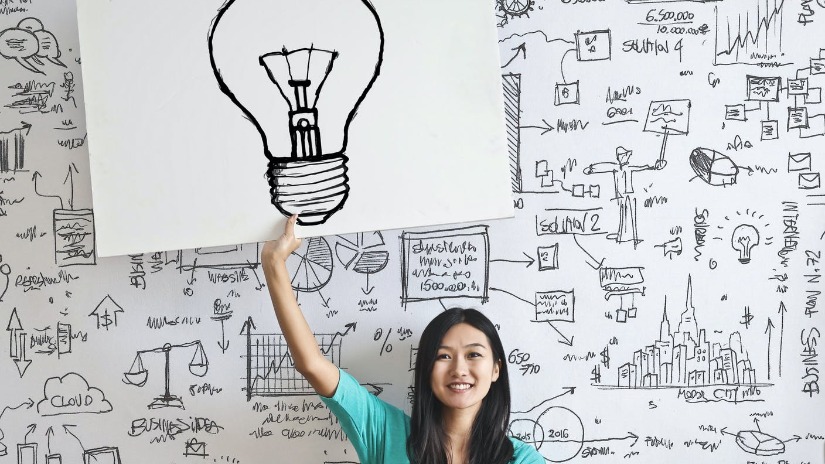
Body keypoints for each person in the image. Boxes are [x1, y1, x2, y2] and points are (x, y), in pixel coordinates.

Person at [261, 215, 544, 464]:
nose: (459, 369)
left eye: (473, 355)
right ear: (426, 367)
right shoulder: (385, 432)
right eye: (443, 355)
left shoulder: (523, 460)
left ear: (496, 368)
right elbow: (311, 364)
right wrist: (274, 263)